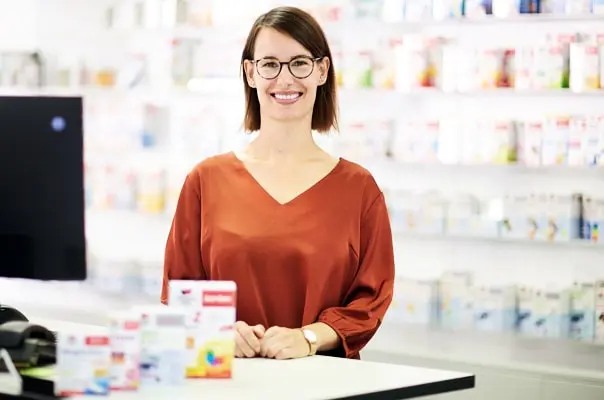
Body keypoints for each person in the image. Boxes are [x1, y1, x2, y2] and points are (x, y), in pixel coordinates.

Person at [161, 6, 395, 360]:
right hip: (226, 380)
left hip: (325, 385)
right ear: (250, 73)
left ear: (321, 70)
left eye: (299, 63)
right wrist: (218, 328)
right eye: (270, 64)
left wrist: (309, 338)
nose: (285, 79)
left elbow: (371, 298)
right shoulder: (205, 181)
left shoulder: (358, 188)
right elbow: (179, 291)